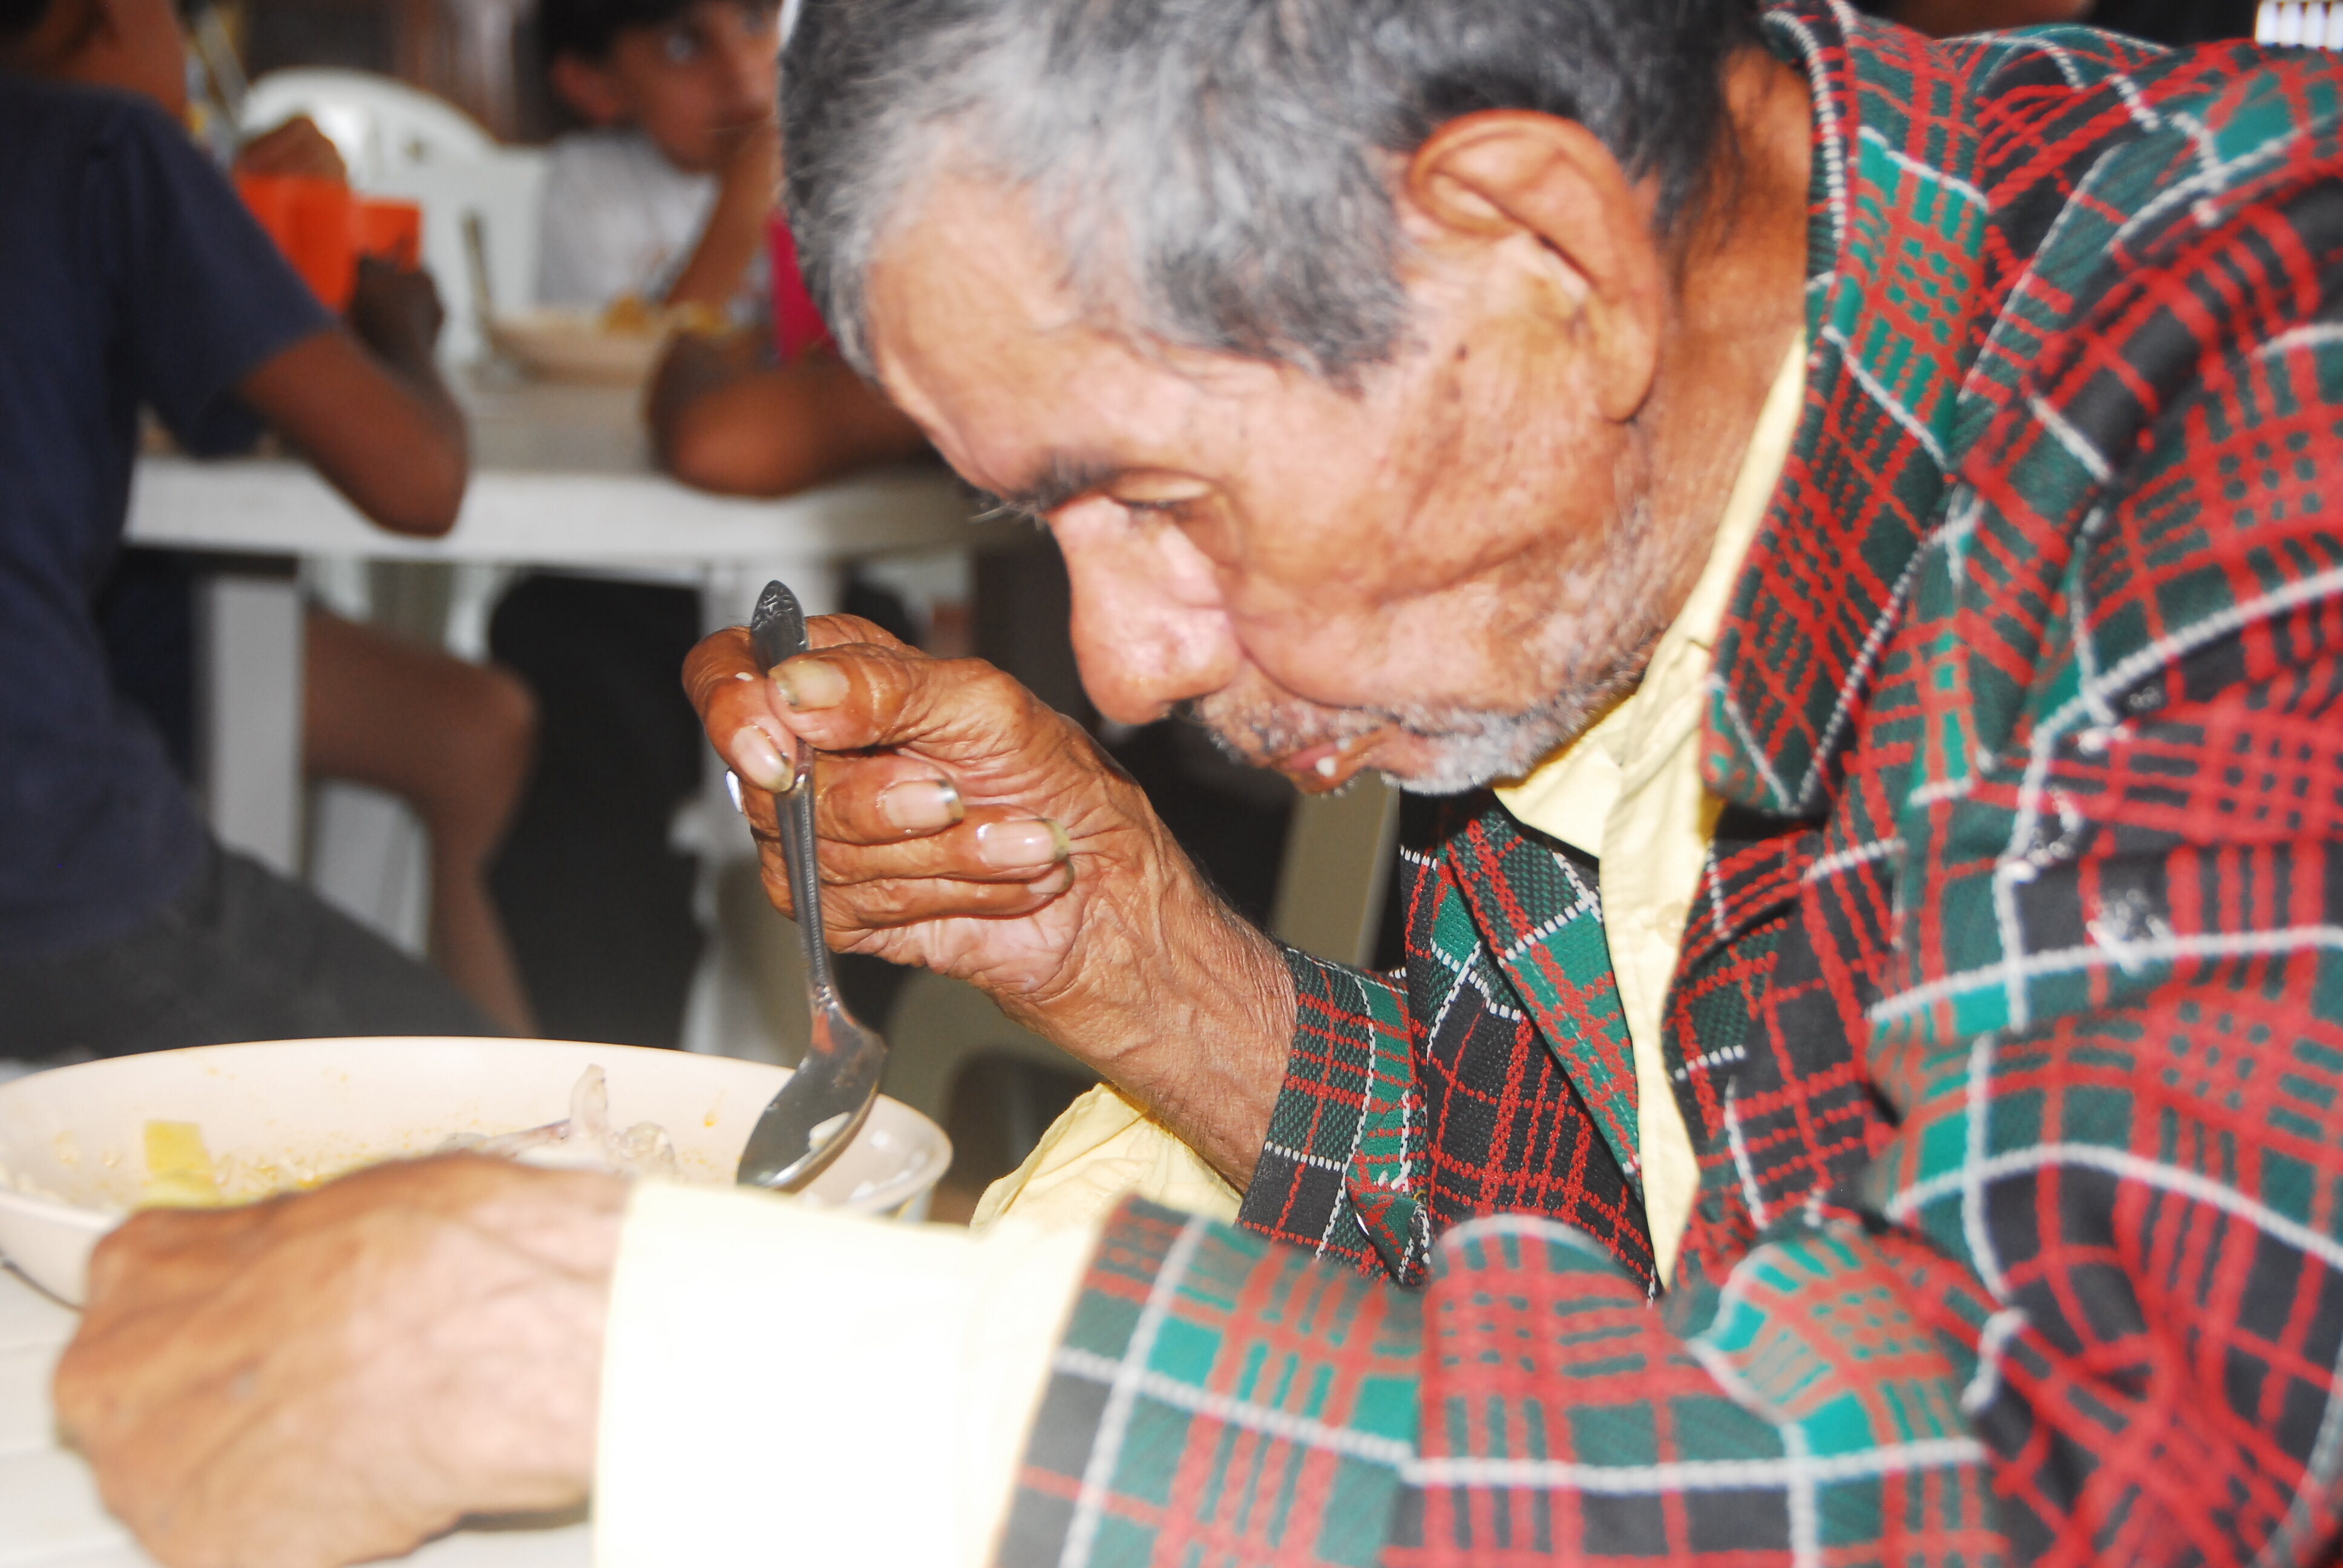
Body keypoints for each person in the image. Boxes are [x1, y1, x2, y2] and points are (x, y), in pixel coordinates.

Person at [53, 4, 2343, 1568]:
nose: (1126, 665)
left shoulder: (2273, 392)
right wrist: (1127, 950)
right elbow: (1616, 1248)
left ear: (1536, 257)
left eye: (1148, 491)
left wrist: (593, 1327)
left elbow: (2070, 1467)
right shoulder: (1588, 505)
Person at [0, 0, 510, 1050]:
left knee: (463, 721)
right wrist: (398, 326)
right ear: (102, 22)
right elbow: (418, 478)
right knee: (467, 1094)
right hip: (40, 854)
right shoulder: (109, 146)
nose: (192, 80)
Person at [534, 0, 781, 319]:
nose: (742, 72)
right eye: (682, 46)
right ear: (593, 85)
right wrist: (745, 204)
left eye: (756, 21)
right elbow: (635, 366)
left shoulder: (834, 167)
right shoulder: (588, 186)